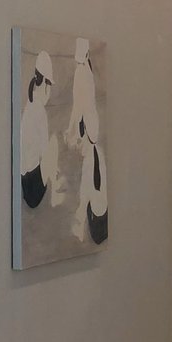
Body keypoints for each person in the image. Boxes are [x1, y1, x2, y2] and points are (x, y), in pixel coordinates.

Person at [68, 39, 108, 244]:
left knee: (89, 172)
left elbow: (79, 108)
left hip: (90, 131)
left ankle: (80, 221)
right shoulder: (87, 72)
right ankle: (81, 220)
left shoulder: (81, 73)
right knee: (91, 169)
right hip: (92, 130)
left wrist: (72, 131)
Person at [20, 51, 63, 209]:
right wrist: (52, 167)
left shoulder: (30, 104)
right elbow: (44, 151)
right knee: (54, 142)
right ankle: (55, 193)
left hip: (24, 184)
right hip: (34, 190)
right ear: (45, 83)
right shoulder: (40, 111)